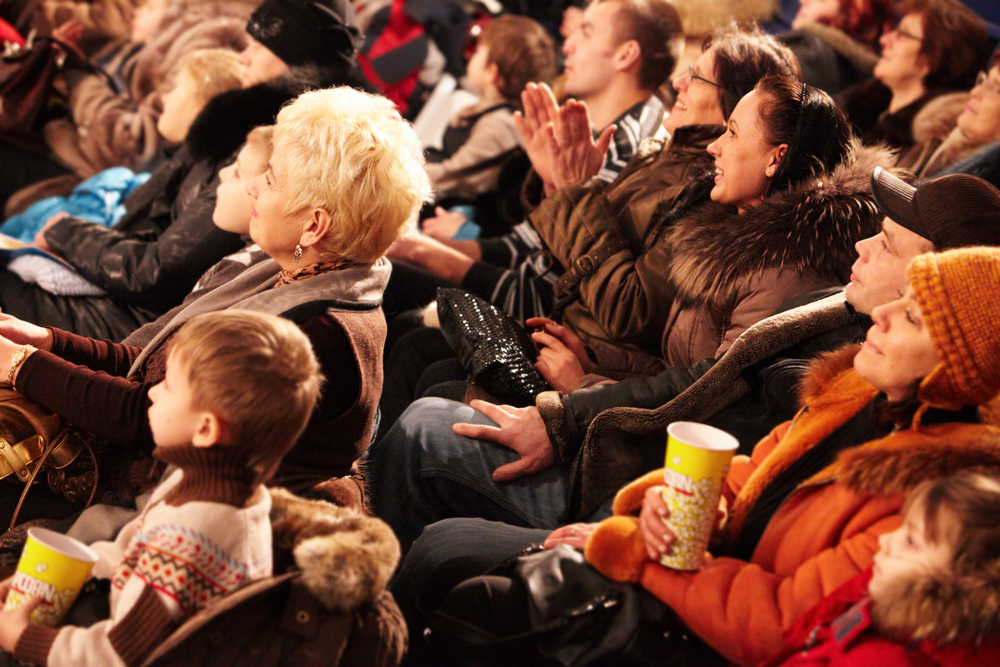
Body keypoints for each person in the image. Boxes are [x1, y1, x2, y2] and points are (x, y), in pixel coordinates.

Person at [369, 74, 885, 548]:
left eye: (731, 131)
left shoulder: (786, 270)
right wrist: (591, 366)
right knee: (429, 373)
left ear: (776, 158)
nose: (714, 144)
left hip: (634, 469)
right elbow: (679, 370)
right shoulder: (729, 229)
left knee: (427, 425)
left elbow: (702, 394)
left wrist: (576, 398)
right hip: (616, 420)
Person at [0, 87, 431, 527]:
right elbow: (154, 364)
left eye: (272, 179)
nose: (252, 185)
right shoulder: (277, 268)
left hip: (188, 519)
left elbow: (152, 417)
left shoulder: (314, 334)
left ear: (314, 225)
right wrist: (48, 341)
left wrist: (23, 365)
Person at [578, 245, 1000, 666]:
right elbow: (755, 474)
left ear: (961, 367)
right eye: (902, 296)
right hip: (688, 587)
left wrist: (640, 554)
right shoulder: (858, 392)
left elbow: (783, 624)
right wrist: (669, 511)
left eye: (911, 316)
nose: (883, 313)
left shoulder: (939, 503)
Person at [375, 24, 801, 435]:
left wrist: (571, 190)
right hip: (569, 335)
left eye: (696, 76)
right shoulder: (667, 154)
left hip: (576, 351)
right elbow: (563, 258)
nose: (677, 82)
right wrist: (557, 185)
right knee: (416, 338)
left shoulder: (708, 189)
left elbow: (630, 311)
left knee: (415, 337)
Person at [0, 0, 370, 342]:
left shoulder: (262, 149)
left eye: (260, 48)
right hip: (122, 294)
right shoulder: (228, 125)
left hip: (140, 321)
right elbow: (148, 220)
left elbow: (158, 274)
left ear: (297, 64)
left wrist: (67, 232)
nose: (243, 57)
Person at [0, 309, 323, 667]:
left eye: (167, 386)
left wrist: (22, 638)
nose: (150, 395)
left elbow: (119, 654)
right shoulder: (205, 484)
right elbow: (135, 547)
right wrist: (43, 579)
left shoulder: (196, 536)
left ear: (205, 430)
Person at [383, 0, 684, 325]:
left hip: (539, 324)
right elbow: (523, 247)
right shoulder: (611, 127)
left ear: (625, 55)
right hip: (519, 291)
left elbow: (541, 297)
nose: (567, 45)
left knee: (388, 293)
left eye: (586, 32)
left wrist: (421, 251)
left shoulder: (629, 148)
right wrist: (425, 244)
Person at [0, 0, 255, 209]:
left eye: (148, 5)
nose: (137, 9)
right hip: (68, 143)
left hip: (95, 177)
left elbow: (134, 148)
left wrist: (77, 74)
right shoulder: (165, 41)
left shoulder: (205, 41)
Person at [760, 471, 1000, 666]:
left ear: (969, 580)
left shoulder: (882, 658)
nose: (886, 539)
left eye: (911, 541)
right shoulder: (886, 589)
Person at [423, 14, 556, 203]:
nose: (472, 54)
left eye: (478, 51)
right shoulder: (488, 109)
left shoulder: (499, 125)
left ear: (492, 72)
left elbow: (452, 177)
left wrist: (395, 172)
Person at [835, 0, 989, 150]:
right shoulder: (865, 108)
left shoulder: (913, 147)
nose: (884, 39)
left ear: (933, 57)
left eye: (903, 34)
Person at [898, 50, 1000, 179]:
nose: (975, 92)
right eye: (984, 81)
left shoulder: (978, 192)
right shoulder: (933, 145)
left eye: (993, 87)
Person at [779, 0, 894, 95]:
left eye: (821, 0)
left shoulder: (813, 52)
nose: (804, 1)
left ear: (850, 14)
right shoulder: (860, 74)